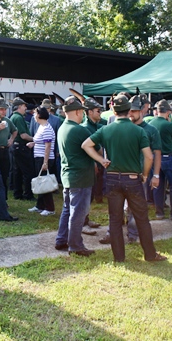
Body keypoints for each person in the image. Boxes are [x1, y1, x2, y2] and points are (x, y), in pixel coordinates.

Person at [83, 95, 167, 263]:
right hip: (133, 179)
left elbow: (86, 145)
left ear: (113, 111)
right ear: (129, 111)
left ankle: (119, 258)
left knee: (114, 220)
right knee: (142, 218)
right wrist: (144, 174)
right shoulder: (139, 131)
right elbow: (149, 157)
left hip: (112, 179)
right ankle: (150, 255)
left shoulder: (106, 129)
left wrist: (101, 160)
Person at [54, 96, 95, 256]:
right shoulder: (79, 129)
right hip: (81, 177)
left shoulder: (63, 127)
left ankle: (61, 239)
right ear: (78, 111)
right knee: (78, 213)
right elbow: (94, 147)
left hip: (68, 175)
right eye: (82, 112)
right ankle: (75, 245)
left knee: (67, 210)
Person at [148, 99, 172, 220]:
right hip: (167, 158)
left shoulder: (150, 123)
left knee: (158, 185)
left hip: (154, 158)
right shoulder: (168, 124)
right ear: (168, 112)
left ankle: (159, 212)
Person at [80, 97, 104, 234]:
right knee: (85, 196)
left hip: (96, 166)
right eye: (98, 110)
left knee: (91, 195)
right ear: (89, 112)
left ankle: (86, 219)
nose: (100, 113)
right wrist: (96, 161)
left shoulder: (95, 126)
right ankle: (82, 223)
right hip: (89, 167)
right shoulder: (85, 128)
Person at [27, 106, 57, 216]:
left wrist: (45, 162)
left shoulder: (47, 128)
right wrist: (33, 143)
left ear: (39, 115)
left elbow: (48, 146)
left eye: (35, 114)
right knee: (40, 181)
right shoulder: (41, 127)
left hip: (45, 158)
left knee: (45, 182)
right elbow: (41, 141)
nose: (34, 116)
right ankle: (40, 205)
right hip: (39, 157)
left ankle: (50, 208)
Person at [10, 97, 36, 201]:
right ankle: (28, 195)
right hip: (21, 147)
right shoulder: (19, 118)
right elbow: (23, 135)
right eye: (24, 105)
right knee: (28, 172)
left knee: (17, 172)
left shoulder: (12, 117)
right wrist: (35, 139)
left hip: (15, 147)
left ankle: (18, 193)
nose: (26, 108)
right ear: (19, 106)